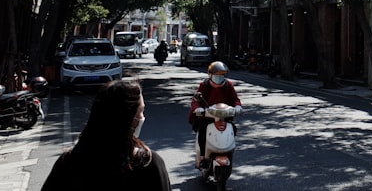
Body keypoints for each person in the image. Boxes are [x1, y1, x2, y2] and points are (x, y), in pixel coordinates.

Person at [41, 79, 170, 191]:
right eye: (140, 111)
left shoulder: (68, 164)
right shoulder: (148, 165)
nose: (142, 117)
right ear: (126, 119)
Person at [189, 60, 242, 164]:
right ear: (210, 75)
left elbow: (235, 99)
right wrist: (198, 109)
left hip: (224, 116)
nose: (219, 78)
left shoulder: (228, 85)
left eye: (222, 75)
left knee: (233, 129)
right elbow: (195, 101)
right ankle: (203, 157)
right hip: (207, 116)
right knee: (203, 131)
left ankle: (228, 152)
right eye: (216, 75)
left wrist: (238, 106)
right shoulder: (204, 85)